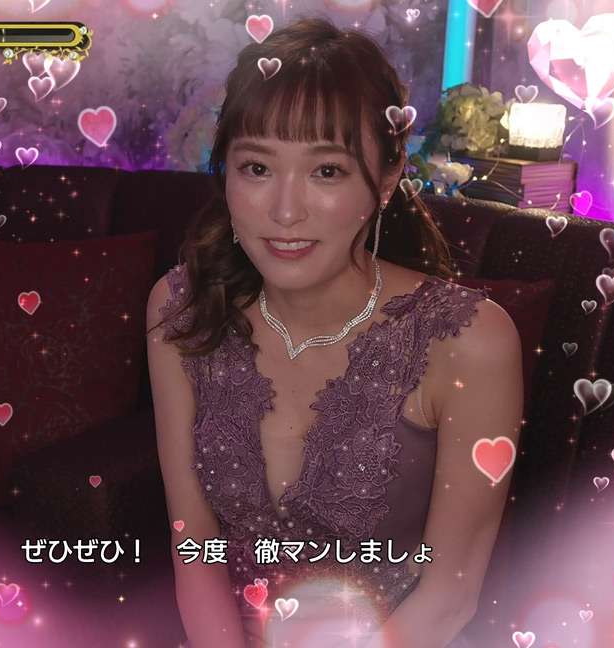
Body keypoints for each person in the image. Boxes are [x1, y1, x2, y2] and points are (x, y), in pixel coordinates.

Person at [146, 16, 523, 648]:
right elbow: (196, 549)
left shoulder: (467, 340)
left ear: (386, 179)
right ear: (225, 173)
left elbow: (449, 597)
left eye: (326, 171)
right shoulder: (182, 306)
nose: (285, 210)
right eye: (257, 167)